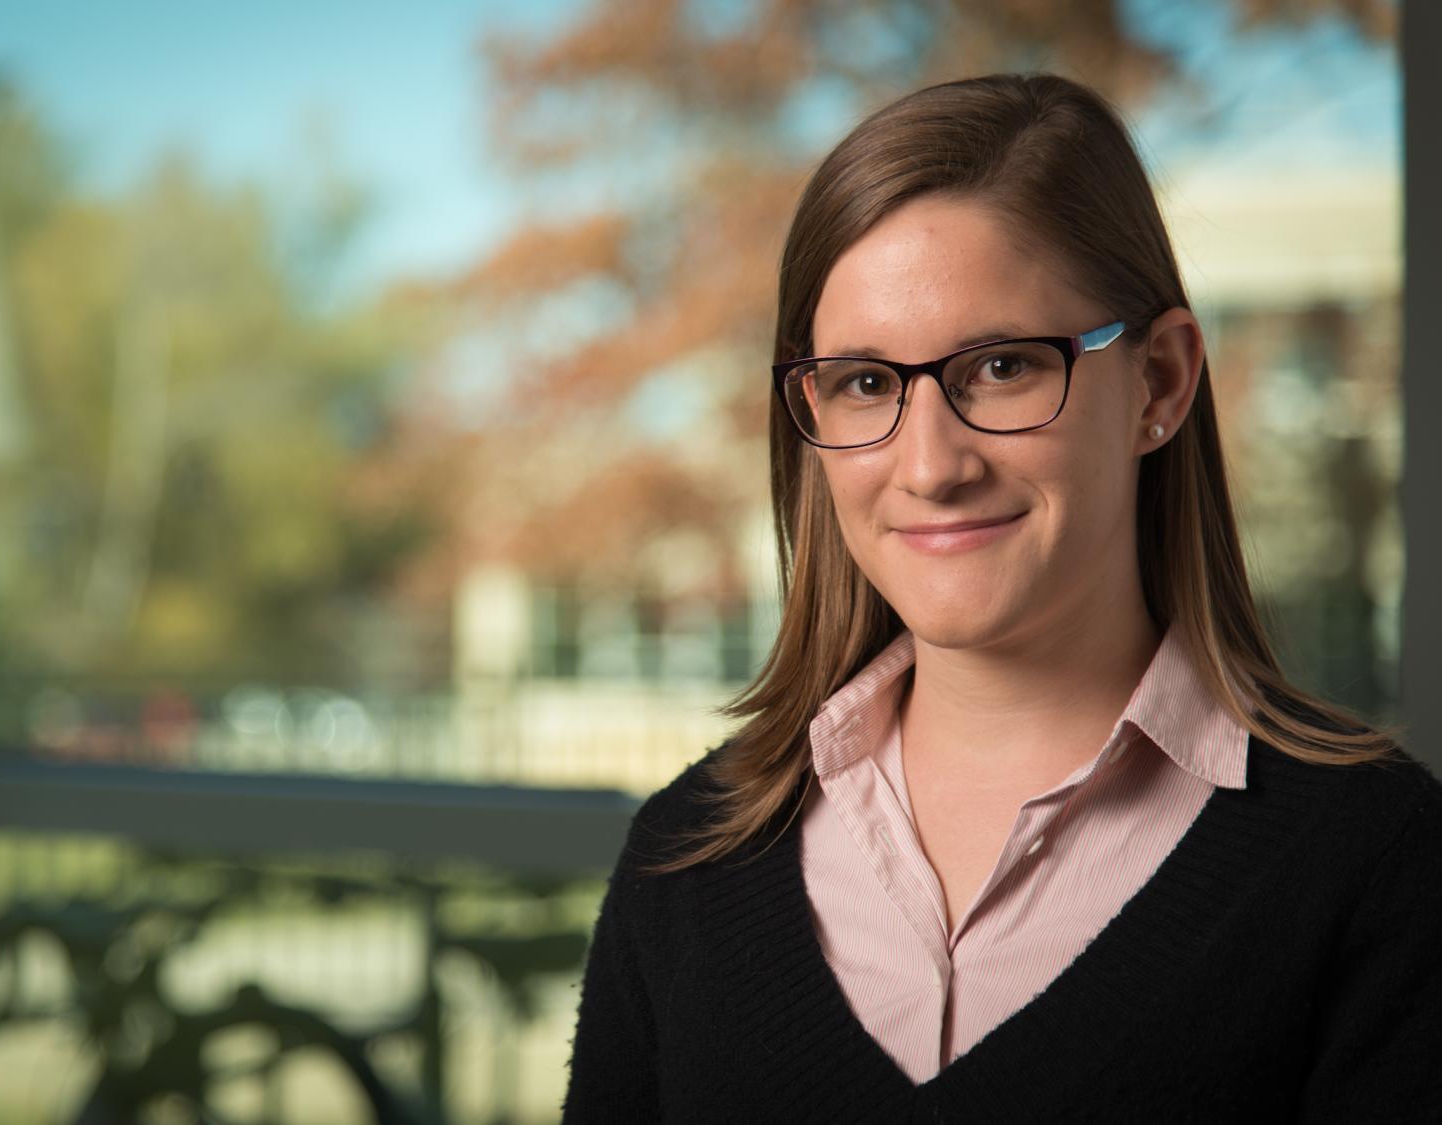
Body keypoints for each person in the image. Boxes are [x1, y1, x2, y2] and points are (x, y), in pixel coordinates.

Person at [561, 72, 1442, 1123]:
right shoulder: (689, 856)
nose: (930, 466)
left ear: (1159, 382)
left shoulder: (1379, 867)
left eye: (1004, 367)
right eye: (864, 383)